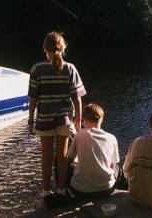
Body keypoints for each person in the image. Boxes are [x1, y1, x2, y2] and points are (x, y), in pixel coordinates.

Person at [28, 32, 86, 201]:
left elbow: (33, 98)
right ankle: (61, 189)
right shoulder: (70, 68)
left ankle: (46, 191)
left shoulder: (37, 69)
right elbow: (77, 98)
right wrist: (78, 120)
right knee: (63, 156)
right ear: (63, 48)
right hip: (65, 118)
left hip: (44, 118)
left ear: (44, 49)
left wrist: (31, 119)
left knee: (46, 156)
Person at [67, 103, 120, 198]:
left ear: (84, 121)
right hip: (107, 189)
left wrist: (79, 161)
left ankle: (62, 191)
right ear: (101, 119)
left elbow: (70, 159)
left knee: (65, 163)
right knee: (117, 169)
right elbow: (112, 165)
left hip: (81, 191)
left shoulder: (79, 135)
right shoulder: (112, 138)